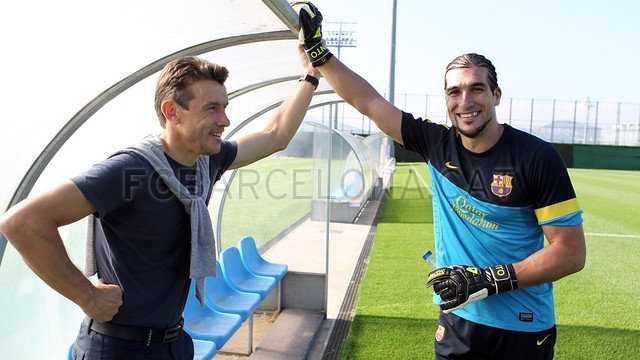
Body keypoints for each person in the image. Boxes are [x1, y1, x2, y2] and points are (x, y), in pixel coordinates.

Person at [293, 2, 586, 359]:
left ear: (496, 95)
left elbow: (570, 253)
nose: (465, 101)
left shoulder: (537, 157)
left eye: (476, 89)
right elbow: (367, 101)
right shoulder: (436, 142)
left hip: (524, 325)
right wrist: (319, 53)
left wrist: (488, 280)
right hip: (458, 320)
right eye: (454, 92)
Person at [0, 45, 320, 359]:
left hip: (174, 343)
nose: (225, 120)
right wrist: (86, 296)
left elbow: (276, 134)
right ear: (172, 112)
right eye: (212, 108)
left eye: (225, 106)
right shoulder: (130, 170)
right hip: (118, 348)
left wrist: (310, 76)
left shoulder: (206, 160)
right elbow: (22, 222)